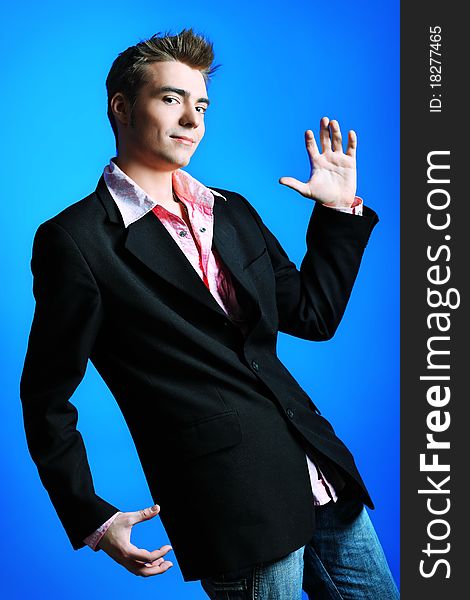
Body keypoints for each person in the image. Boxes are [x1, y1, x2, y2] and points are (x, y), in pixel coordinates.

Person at [20, 28, 399, 599]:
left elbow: (313, 316)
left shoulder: (232, 211)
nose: (193, 121)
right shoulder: (74, 242)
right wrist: (91, 516)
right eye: (171, 99)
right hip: (231, 501)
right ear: (121, 107)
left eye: (200, 105)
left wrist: (338, 212)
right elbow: (45, 396)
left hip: (318, 472)